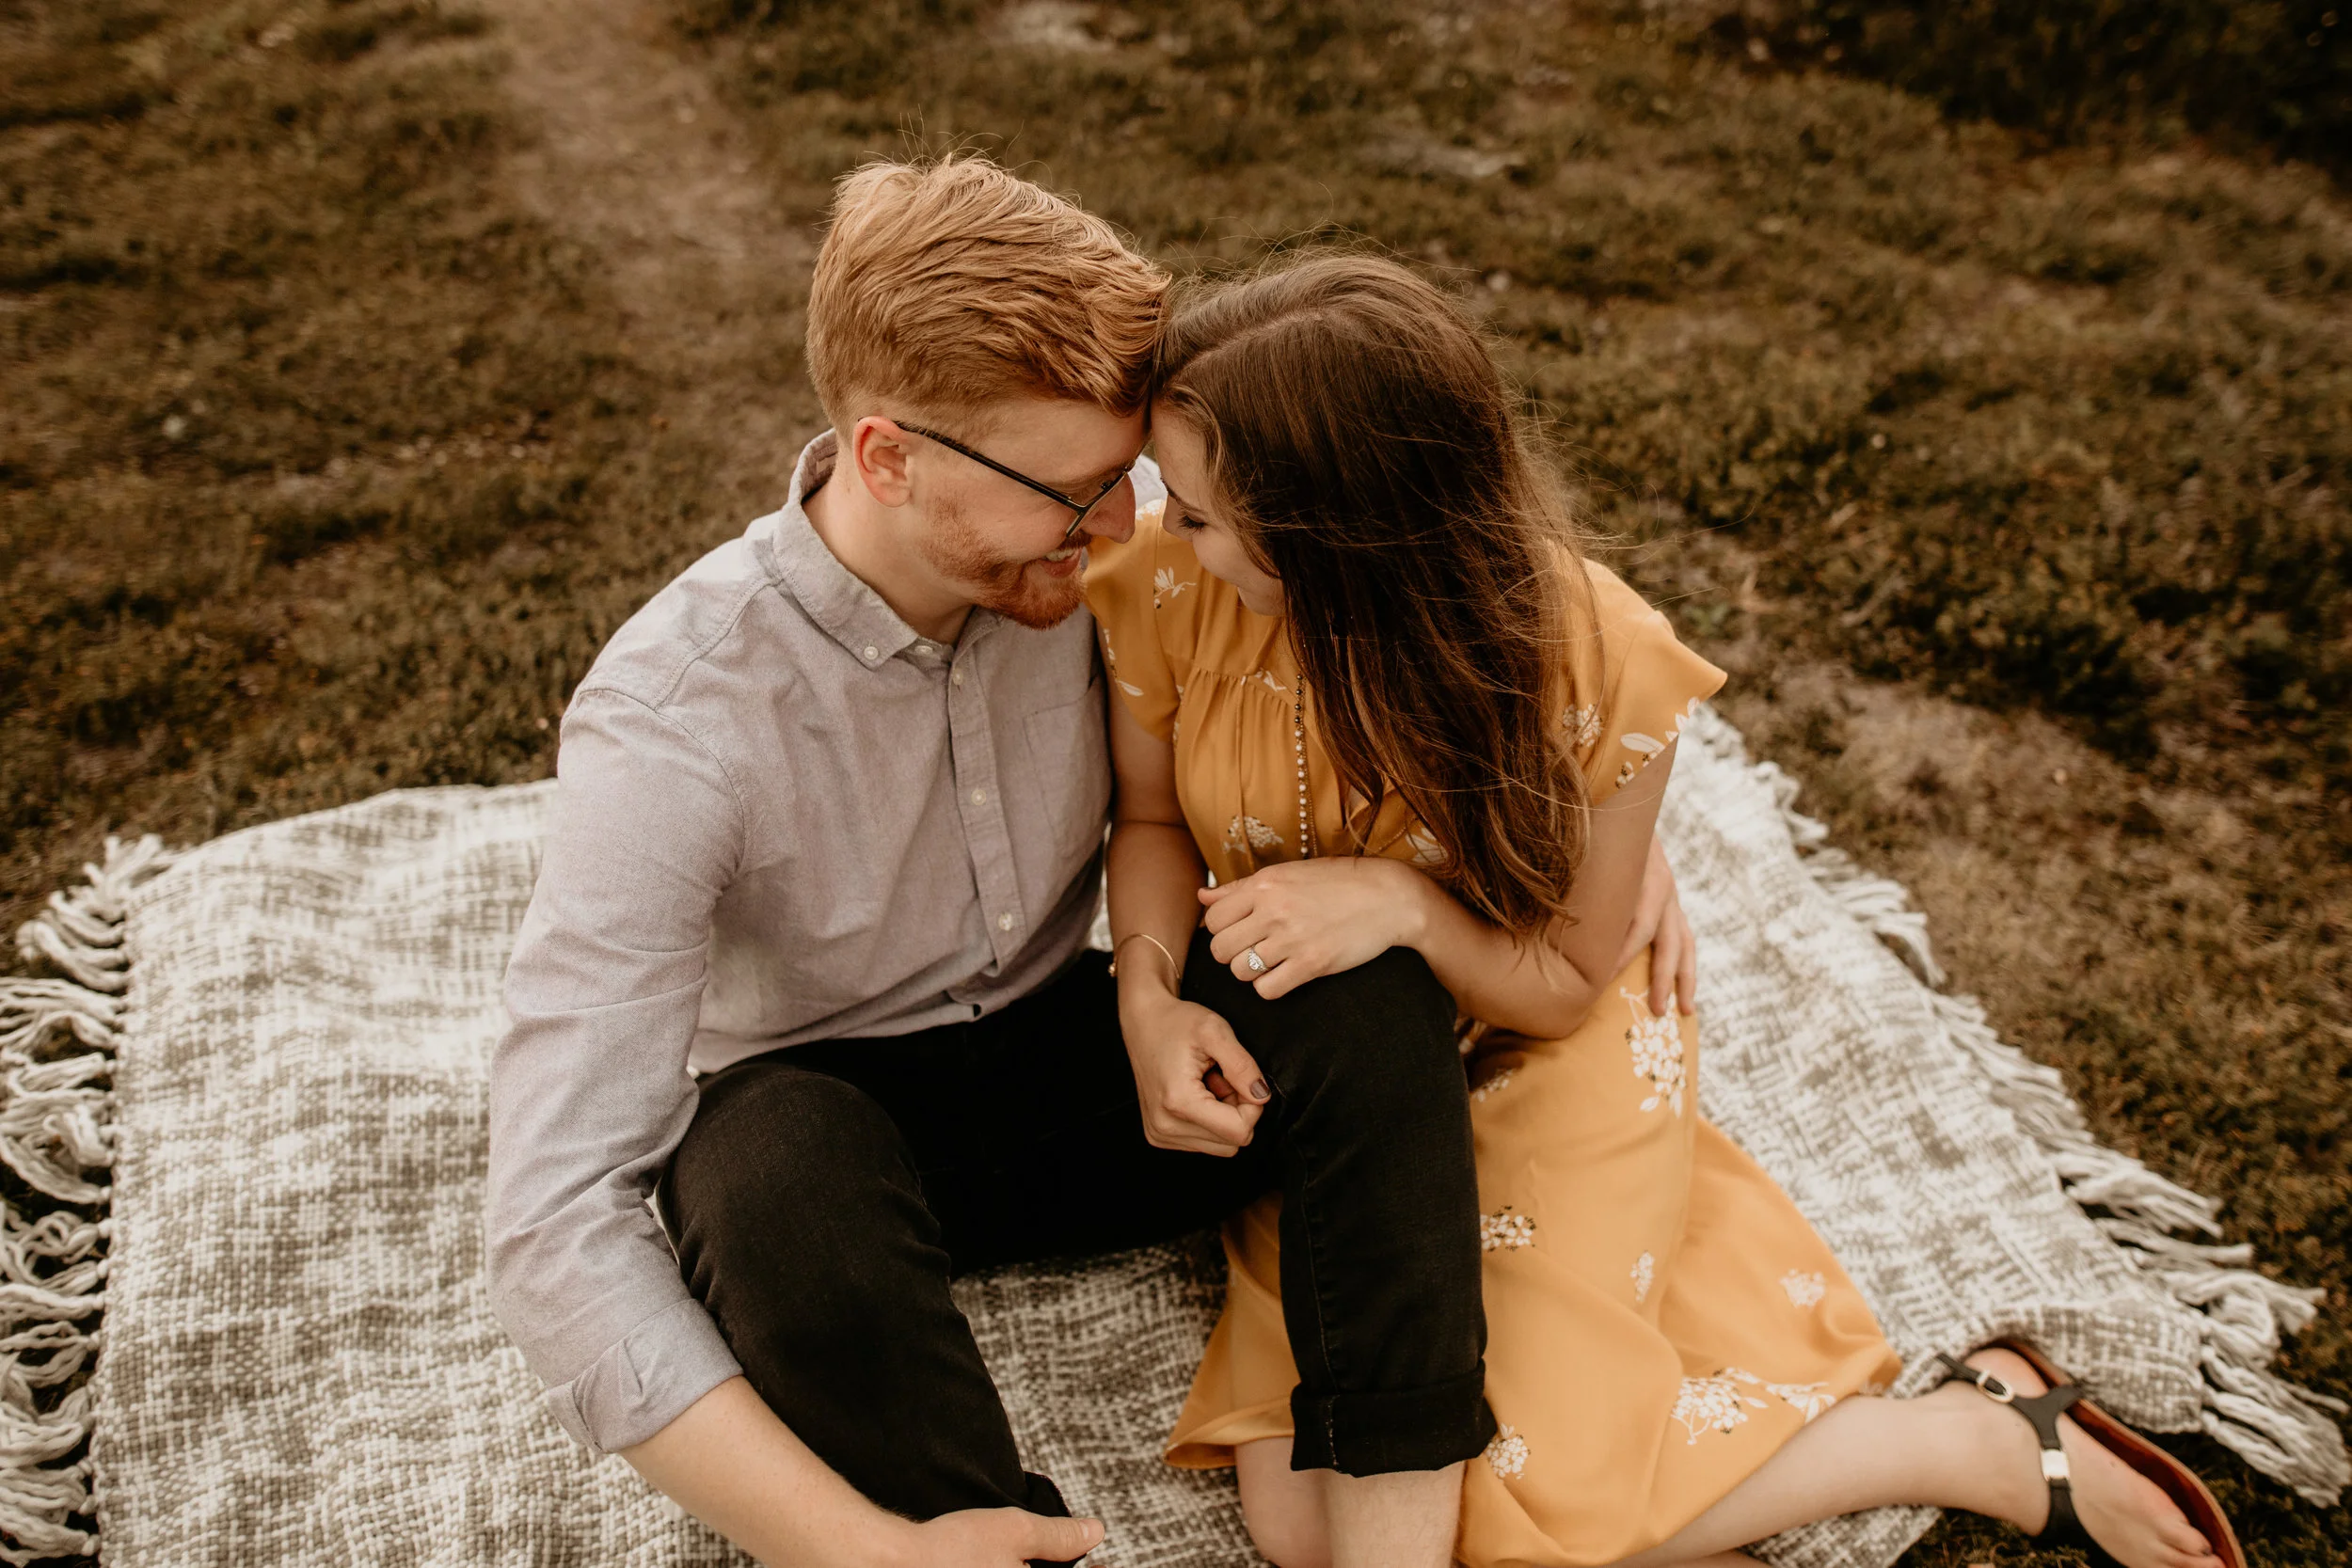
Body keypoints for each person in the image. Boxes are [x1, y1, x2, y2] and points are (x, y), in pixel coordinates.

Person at [486, 157, 1699, 1568]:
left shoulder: (1102, 569)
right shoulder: (675, 724)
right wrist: (853, 1550)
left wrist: (1599, 834)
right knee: (755, 1171)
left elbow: (1395, 566)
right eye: (1073, 495)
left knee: (1366, 1001)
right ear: (889, 458)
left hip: (1103, 1057)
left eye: (1127, 481)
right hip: (844, 1130)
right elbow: (553, 1221)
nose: (1125, 531)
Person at [1083, 252, 2244, 1568]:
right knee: (1308, 1526)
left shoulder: (1600, 661)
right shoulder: (1170, 594)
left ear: (1337, 532)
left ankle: (1961, 1437)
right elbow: (1154, 820)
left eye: (1198, 513)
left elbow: (1570, 977)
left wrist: (1403, 902)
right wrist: (1147, 993)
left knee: (1499, 1506)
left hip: (1529, 1027)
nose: (1158, 531)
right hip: (1335, 1057)